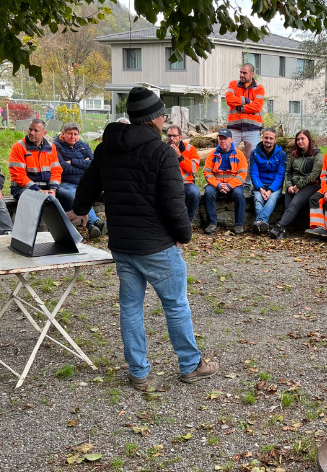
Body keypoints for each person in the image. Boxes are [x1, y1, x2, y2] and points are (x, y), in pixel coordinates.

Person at [68, 86, 218, 391]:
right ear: (157, 118)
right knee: (175, 305)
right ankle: (190, 365)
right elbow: (175, 204)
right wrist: (184, 236)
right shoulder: (162, 152)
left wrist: (81, 210)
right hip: (157, 244)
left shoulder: (106, 147)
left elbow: (87, 185)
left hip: (123, 244)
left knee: (130, 308)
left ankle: (138, 372)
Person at [55, 121, 107, 239]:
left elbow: (93, 165)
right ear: (63, 134)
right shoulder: (57, 147)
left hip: (85, 182)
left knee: (100, 193)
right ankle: (94, 223)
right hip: (67, 183)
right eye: (69, 134)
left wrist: (73, 161)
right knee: (79, 196)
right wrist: (83, 163)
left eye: (75, 134)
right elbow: (64, 168)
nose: (73, 137)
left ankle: (94, 225)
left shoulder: (84, 145)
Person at [270, 130, 324, 240]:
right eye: (298, 139)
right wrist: (289, 185)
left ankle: (278, 226)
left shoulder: (317, 154)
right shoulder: (294, 155)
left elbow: (314, 174)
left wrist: (299, 186)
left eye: (302, 139)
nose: (300, 141)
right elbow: (288, 172)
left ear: (309, 139)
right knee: (287, 207)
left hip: (311, 186)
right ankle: (283, 230)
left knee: (294, 205)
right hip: (293, 186)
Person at [8, 119, 72, 208]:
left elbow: (56, 170)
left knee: (70, 197)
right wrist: (37, 190)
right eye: (30, 129)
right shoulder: (19, 147)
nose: (31, 133)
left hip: (46, 187)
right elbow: (17, 174)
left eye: (36, 130)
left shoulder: (51, 147)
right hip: (23, 188)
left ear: (44, 133)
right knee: (36, 200)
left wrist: (53, 189)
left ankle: (64, 221)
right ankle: (32, 222)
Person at [203, 129, 249, 235]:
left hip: (234, 184)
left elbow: (242, 174)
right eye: (220, 139)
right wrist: (218, 185)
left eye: (225, 138)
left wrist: (229, 185)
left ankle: (238, 225)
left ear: (231, 140)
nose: (222, 141)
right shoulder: (212, 154)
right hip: (216, 184)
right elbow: (207, 173)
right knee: (208, 193)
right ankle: (212, 223)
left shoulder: (239, 154)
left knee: (239, 195)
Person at [249, 128, 287, 233]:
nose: (268, 140)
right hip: (259, 185)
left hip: (274, 186)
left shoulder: (281, 154)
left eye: (271, 138)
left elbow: (280, 175)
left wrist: (270, 190)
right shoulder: (255, 153)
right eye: (266, 137)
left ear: (275, 140)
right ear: (262, 138)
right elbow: (254, 173)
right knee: (258, 199)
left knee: (272, 199)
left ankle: (259, 222)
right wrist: (261, 189)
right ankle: (263, 224)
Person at [225, 63, 265, 162]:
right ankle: (230, 177)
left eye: (245, 73)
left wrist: (240, 107)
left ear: (252, 74)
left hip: (252, 129)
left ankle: (249, 178)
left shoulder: (259, 88)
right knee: (228, 154)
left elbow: (257, 107)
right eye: (241, 72)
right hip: (234, 128)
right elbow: (229, 100)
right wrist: (246, 101)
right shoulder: (233, 84)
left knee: (251, 159)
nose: (242, 75)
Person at [165, 125, 202, 223]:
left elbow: (194, 169)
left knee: (195, 192)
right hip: (169, 183)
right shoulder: (162, 149)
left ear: (180, 137)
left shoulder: (190, 149)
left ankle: (187, 222)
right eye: (169, 136)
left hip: (186, 183)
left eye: (174, 136)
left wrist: (180, 157)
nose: (171, 139)